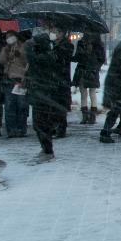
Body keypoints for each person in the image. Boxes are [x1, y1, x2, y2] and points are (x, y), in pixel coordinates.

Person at [26, 27, 70, 158]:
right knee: (41, 124)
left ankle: (47, 148)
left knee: (41, 124)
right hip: (43, 95)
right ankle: (46, 147)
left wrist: (29, 47)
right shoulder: (49, 54)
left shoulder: (46, 57)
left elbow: (32, 58)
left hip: (44, 95)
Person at [0, 29, 30, 137]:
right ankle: (11, 129)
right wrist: (6, 51)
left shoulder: (23, 47)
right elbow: (1, 60)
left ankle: (21, 128)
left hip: (20, 79)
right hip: (9, 79)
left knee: (21, 105)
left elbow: (27, 61)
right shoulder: (6, 49)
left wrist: (19, 54)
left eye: (11, 36)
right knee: (9, 106)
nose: (9, 39)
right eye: (7, 37)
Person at [72, 31, 106, 125]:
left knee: (84, 94)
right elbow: (102, 59)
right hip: (92, 71)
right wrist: (96, 67)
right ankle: (92, 117)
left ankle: (85, 117)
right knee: (92, 93)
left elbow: (77, 57)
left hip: (83, 70)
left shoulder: (82, 42)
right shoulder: (99, 44)